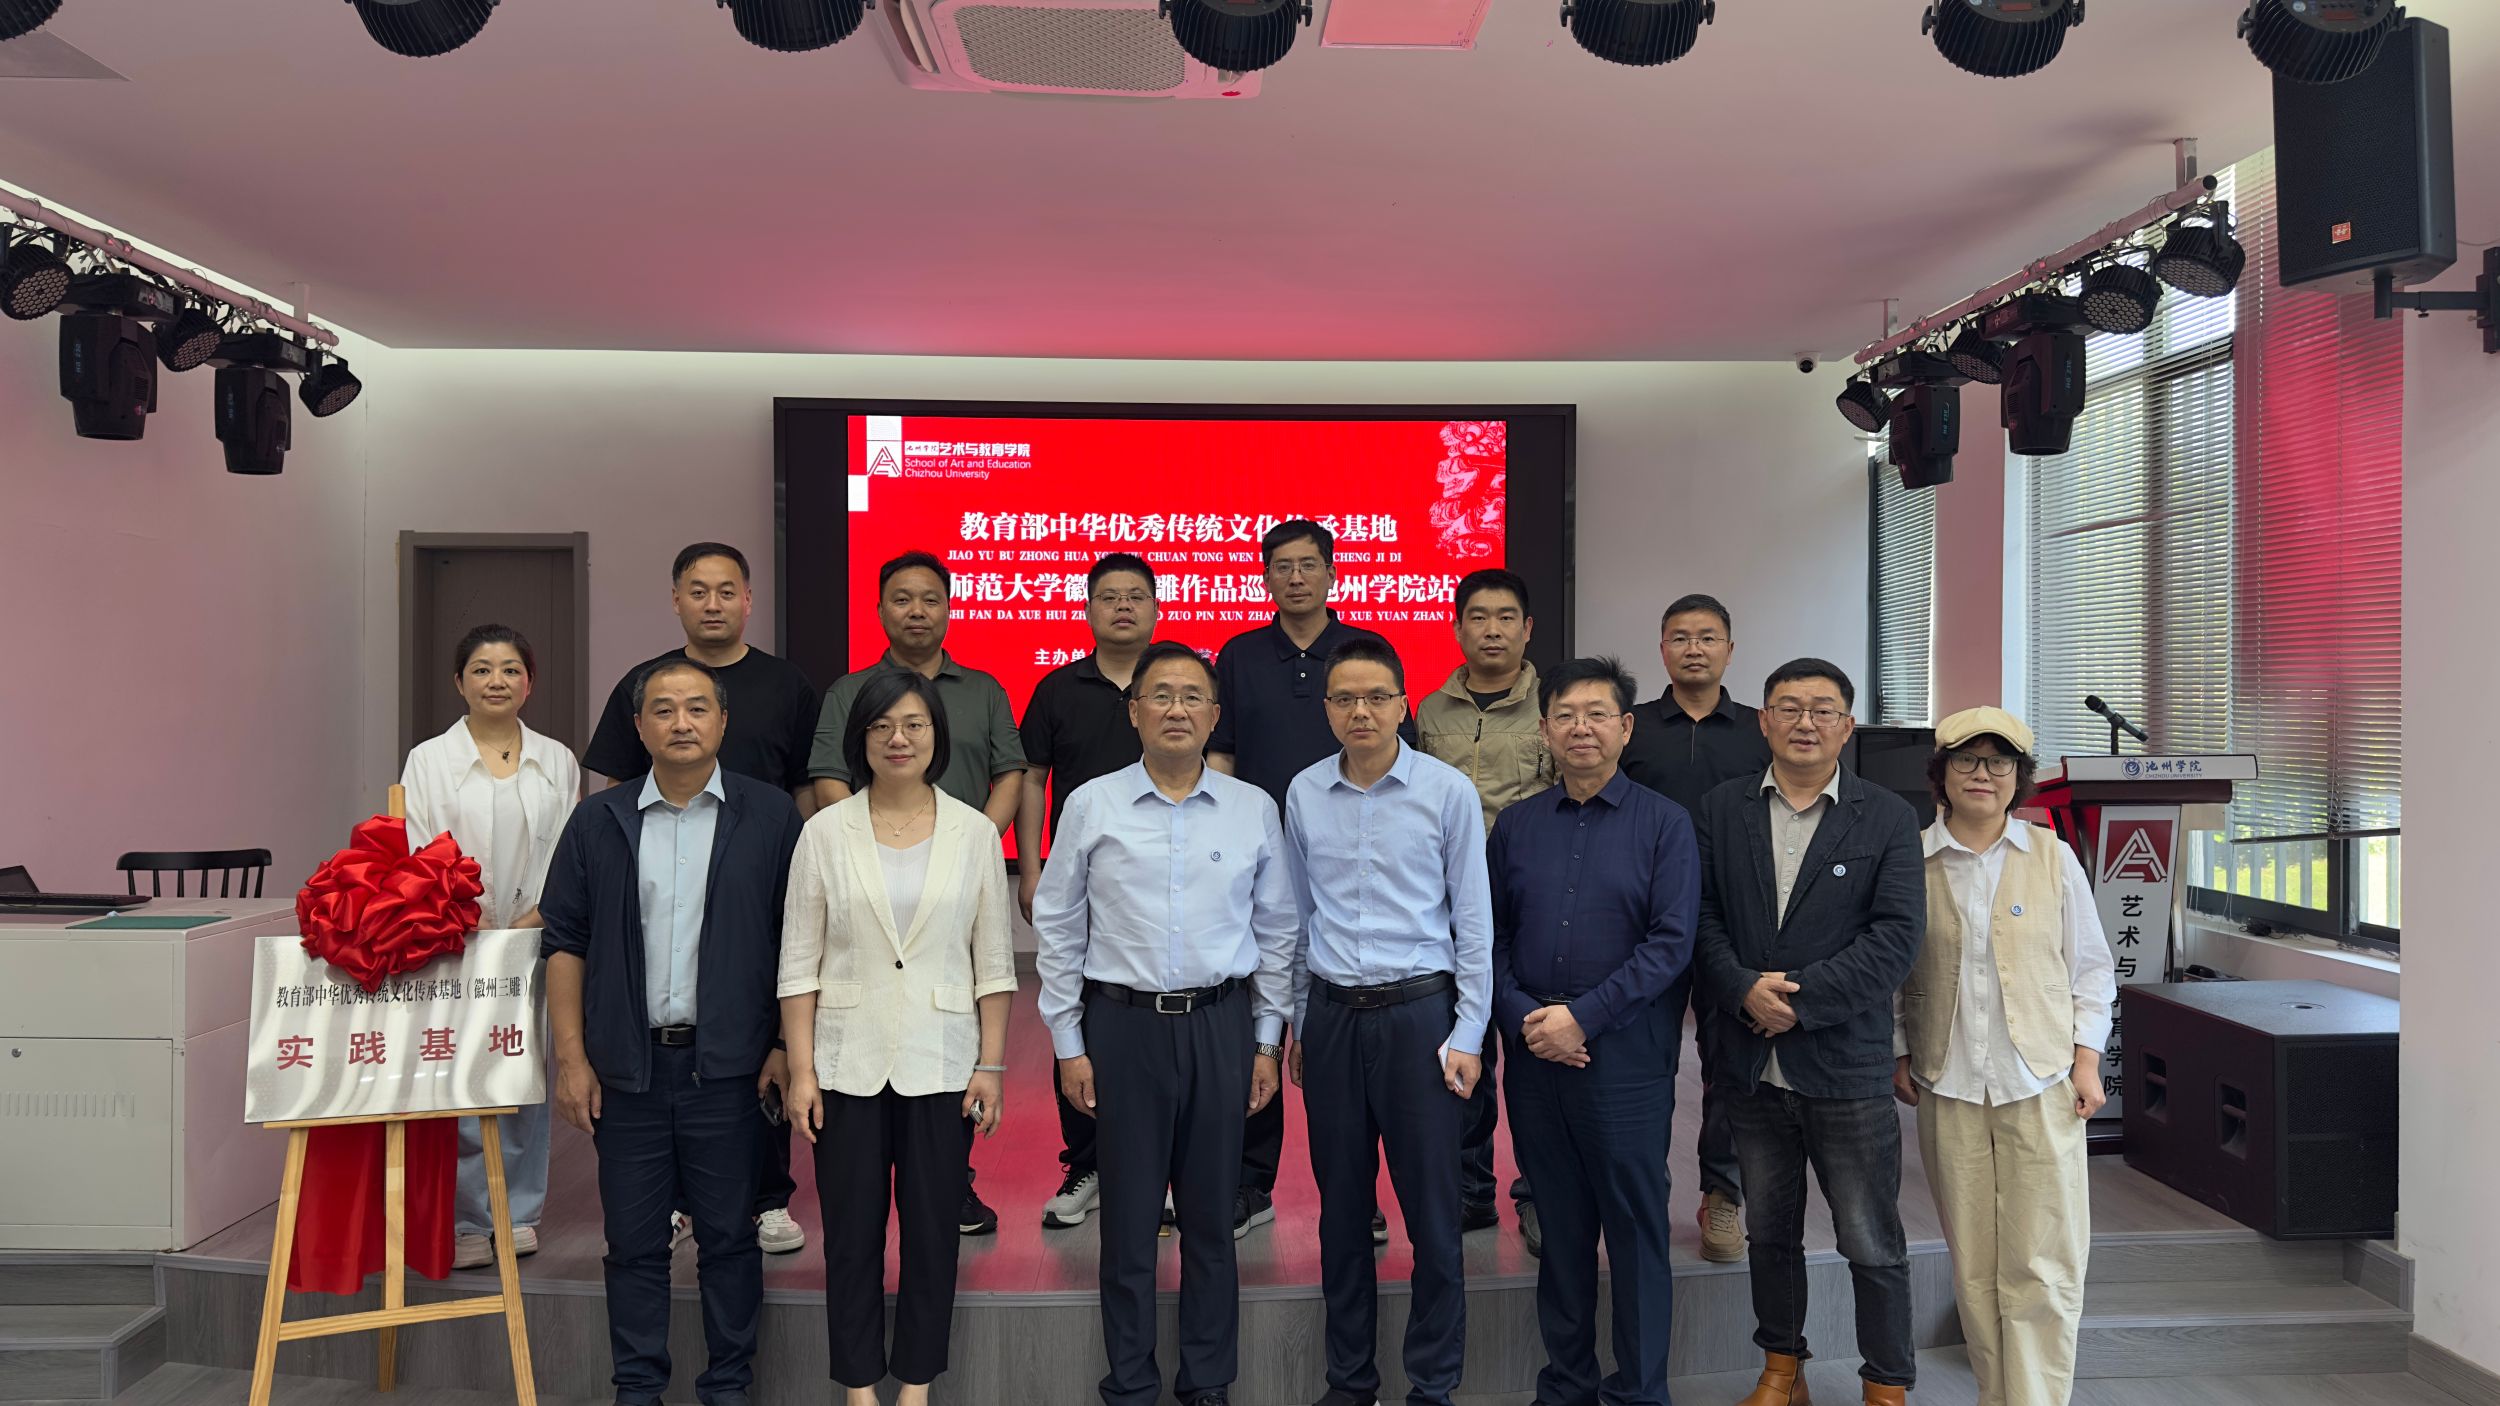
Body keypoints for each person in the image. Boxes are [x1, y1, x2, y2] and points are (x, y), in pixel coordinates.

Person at [1033, 640, 1298, 1406]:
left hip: (1220, 1025)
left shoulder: (1252, 807)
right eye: (1161, 695)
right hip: (1123, 1030)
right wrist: (1068, 1044)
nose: (1176, 709)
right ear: (1134, 711)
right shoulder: (1092, 804)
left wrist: (1267, 1042)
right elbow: (1060, 928)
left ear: (1214, 715)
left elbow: (1278, 931)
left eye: (1192, 696)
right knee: (1128, 1220)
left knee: (1212, 1218)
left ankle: (1207, 1382)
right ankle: (1131, 1382)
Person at [540, 658, 803, 1406]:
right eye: (663, 709)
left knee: (729, 1238)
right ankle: (637, 1389)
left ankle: (729, 1388)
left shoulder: (771, 816)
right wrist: (572, 1059)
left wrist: (785, 1046)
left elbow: (798, 941)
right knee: (632, 1243)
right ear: (638, 726)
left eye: (696, 707)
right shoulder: (599, 820)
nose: (681, 722)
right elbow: (565, 943)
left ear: (723, 721)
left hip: (731, 1070)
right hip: (629, 1072)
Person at [780, 671, 1018, 1406]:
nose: (898, 739)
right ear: (860, 740)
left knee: (932, 1235)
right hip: (844, 1061)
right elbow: (798, 963)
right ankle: (858, 1386)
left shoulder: (975, 832)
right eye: (882, 726)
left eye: (914, 724)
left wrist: (991, 1064)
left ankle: (915, 1385)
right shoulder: (825, 831)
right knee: (850, 1236)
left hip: (942, 1060)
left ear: (937, 736)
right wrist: (801, 1071)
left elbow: (993, 963)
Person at [1691, 659, 1925, 1406]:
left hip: (1845, 1063)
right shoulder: (1721, 808)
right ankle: (1782, 1371)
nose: (1805, 723)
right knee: (1769, 1232)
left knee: (1869, 1237)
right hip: (1751, 1062)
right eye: (1788, 708)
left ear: (1847, 727)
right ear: (1763, 721)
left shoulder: (1887, 816)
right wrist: (1741, 989)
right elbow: (1701, 916)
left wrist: (1802, 1000)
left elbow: (1896, 936)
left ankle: (1885, 1383)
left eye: (1823, 710)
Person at [582, 540, 821, 1255]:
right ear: (676, 600)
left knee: (756, 1052)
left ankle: (769, 1199)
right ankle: (676, 1202)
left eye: (726, 591)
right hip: (665, 871)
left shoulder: (786, 685)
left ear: (748, 600)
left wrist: (796, 873)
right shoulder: (643, 683)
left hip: (755, 878)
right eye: (697, 590)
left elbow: (806, 787)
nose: (712, 604)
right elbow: (615, 791)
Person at [1285, 638, 1492, 1406]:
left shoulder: (1446, 791)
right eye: (1345, 698)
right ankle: (1351, 1382)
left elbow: (1474, 921)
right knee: (1342, 1214)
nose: (1361, 712)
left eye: (1377, 696)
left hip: (1420, 1019)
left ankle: (1432, 1385)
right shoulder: (1304, 792)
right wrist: (1299, 1023)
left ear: (1405, 703)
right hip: (1333, 1018)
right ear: (1327, 708)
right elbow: (1297, 919)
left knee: (1434, 1218)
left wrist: (1468, 1031)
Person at [1488, 656, 1698, 1406]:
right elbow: (1491, 938)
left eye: (1597, 714)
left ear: (1625, 728)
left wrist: (1583, 1017)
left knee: (1636, 1230)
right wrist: (1526, 1020)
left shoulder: (1666, 824)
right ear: (1544, 729)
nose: (1581, 727)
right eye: (1566, 715)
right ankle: (1568, 1384)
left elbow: (1671, 943)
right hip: (1535, 1055)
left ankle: (1640, 1391)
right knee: (1560, 1228)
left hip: (1626, 1058)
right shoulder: (1517, 826)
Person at [1894, 707, 2114, 1406]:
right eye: (1966, 759)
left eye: (1999, 762)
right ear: (1942, 773)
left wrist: (2086, 1059)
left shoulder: (2051, 856)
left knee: (2044, 1261)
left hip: (2041, 1082)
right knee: (1975, 1269)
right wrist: (1900, 1050)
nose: (1982, 774)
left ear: (2020, 776)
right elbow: (1893, 969)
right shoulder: (1911, 860)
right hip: (1949, 1083)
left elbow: (2091, 969)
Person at [809, 547, 1024, 1234]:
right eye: (901, 598)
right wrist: (863, 842)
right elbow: (828, 775)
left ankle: (951, 1185)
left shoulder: (984, 689)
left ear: (950, 607)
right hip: (867, 877)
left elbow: (1011, 774)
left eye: (931, 598)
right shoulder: (849, 690)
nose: (917, 611)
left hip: (955, 881)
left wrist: (967, 846)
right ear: (879, 610)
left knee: (947, 1034)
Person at [1207, 518, 1408, 1235]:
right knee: (1257, 1023)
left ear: (1331, 572)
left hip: (1349, 861)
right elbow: (1222, 755)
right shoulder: (1238, 655)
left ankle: (1362, 1195)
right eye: (1281, 566)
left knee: (1349, 1031)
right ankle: (1250, 1183)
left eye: (1308, 565)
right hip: (1257, 862)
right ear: (1265, 576)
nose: (1295, 577)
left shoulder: (1363, 654)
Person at [399, 624, 582, 1271]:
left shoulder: (557, 759)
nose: (496, 681)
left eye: (510, 669)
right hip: (454, 940)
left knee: (524, 1074)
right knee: (461, 1077)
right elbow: (417, 848)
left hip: (533, 939)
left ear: (529, 683)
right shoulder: (428, 760)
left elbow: (570, 852)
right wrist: (462, 920)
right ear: (460, 682)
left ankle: (520, 1212)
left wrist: (534, 920)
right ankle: (470, 1219)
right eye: (481, 669)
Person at [1616, 592, 1772, 1265]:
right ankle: (1640, 1193)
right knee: (1642, 1063)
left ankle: (1722, 1193)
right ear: (1662, 650)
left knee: (1729, 1066)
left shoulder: (1758, 731)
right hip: (1641, 921)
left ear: (1730, 650)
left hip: (1730, 922)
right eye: (1680, 637)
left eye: (1708, 637)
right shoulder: (1634, 727)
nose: (1694, 649)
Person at [1017, 551, 1158, 1231]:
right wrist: (1031, 869)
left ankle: (1162, 1169)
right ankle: (1088, 1163)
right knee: (1075, 1015)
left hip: (1168, 885)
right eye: (1109, 596)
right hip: (1082, 884)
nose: (1123, 606)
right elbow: (1033, 779)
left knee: (1161, 1023)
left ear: (1155, 608)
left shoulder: (1175, 681)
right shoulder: (1057, 688)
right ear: (1088, 608)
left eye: (1135, 596)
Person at [1412, 567, 1548, 1251]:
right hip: (1447, 910)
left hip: (1533, 907)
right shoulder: (1428, 712)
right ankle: (1468, 1192)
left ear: (1527, 628)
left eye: (1505, 617)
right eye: (1478, 617)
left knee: (1533, 1056)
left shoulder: (1556, 707)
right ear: (1458, 627)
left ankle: (1539, 1194)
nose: (1491, 630)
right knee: (1460, 1054)